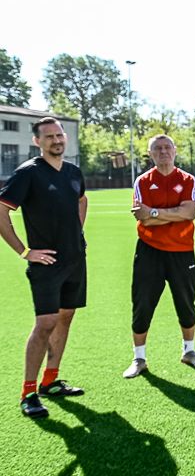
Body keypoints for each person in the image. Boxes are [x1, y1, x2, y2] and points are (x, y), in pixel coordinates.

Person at [0, 117, 88, 419]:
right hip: (46, 263)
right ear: (37, 141)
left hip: (75, 259)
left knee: (65, 317)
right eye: (49, 136)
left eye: (59, 135)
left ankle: (50, 381)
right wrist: (26, 251)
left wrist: (78, 234)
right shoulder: (29, 174)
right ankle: (28, 392)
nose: (56, 140)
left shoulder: (74, 171)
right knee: (46, 323)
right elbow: (2, 211)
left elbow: (82, 199)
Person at [123, 134, 195, 379]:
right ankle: (139, 358)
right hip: (149, 251)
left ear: (175, 151)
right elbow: (142, 217)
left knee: (186, 302)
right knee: (142, 304)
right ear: (150, 154)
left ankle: (189, 352)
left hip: (182, 251)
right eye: (157, 149)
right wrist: (171, 214)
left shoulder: (187, 180)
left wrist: (155, 213)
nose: (163, 152)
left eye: (167, 147)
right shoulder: (143, 181)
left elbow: (189, 213)